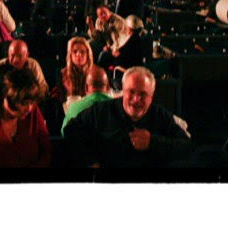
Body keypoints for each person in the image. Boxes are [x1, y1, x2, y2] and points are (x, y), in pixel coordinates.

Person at [63, 66, 191, 167]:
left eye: (143, 94)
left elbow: (186, 146)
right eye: (131, 92)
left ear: (151, 97)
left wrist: (152, 142)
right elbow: (71, 130)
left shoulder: (160, 115)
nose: (136, 99)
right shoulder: (100, 111)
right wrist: (91, 160)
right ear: (122, 91)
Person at [0, 66, 52, 168]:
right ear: (6, 97)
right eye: (24, 103)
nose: (29, 109)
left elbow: (47, 151)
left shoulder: (33, 112)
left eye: (32, 102)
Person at [0, 38, 47, 102]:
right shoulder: (0, 67)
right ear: (8, 55)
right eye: (12, 55)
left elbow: (43, 88)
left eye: (19, 56)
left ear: (27, 55)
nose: (15, 60)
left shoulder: (33, 65)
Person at [62, 65, 111, 135]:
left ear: (86, 88)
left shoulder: (73, 108)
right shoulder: (119, 107)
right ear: (108, 87)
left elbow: (64, 132)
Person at [50, 36, 93, 110]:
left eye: (82, 52)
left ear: (88, 54)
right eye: (75, 51)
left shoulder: (94, 73)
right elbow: (61, 100)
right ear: (70, 55)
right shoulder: (62, 73)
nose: (78, 54)